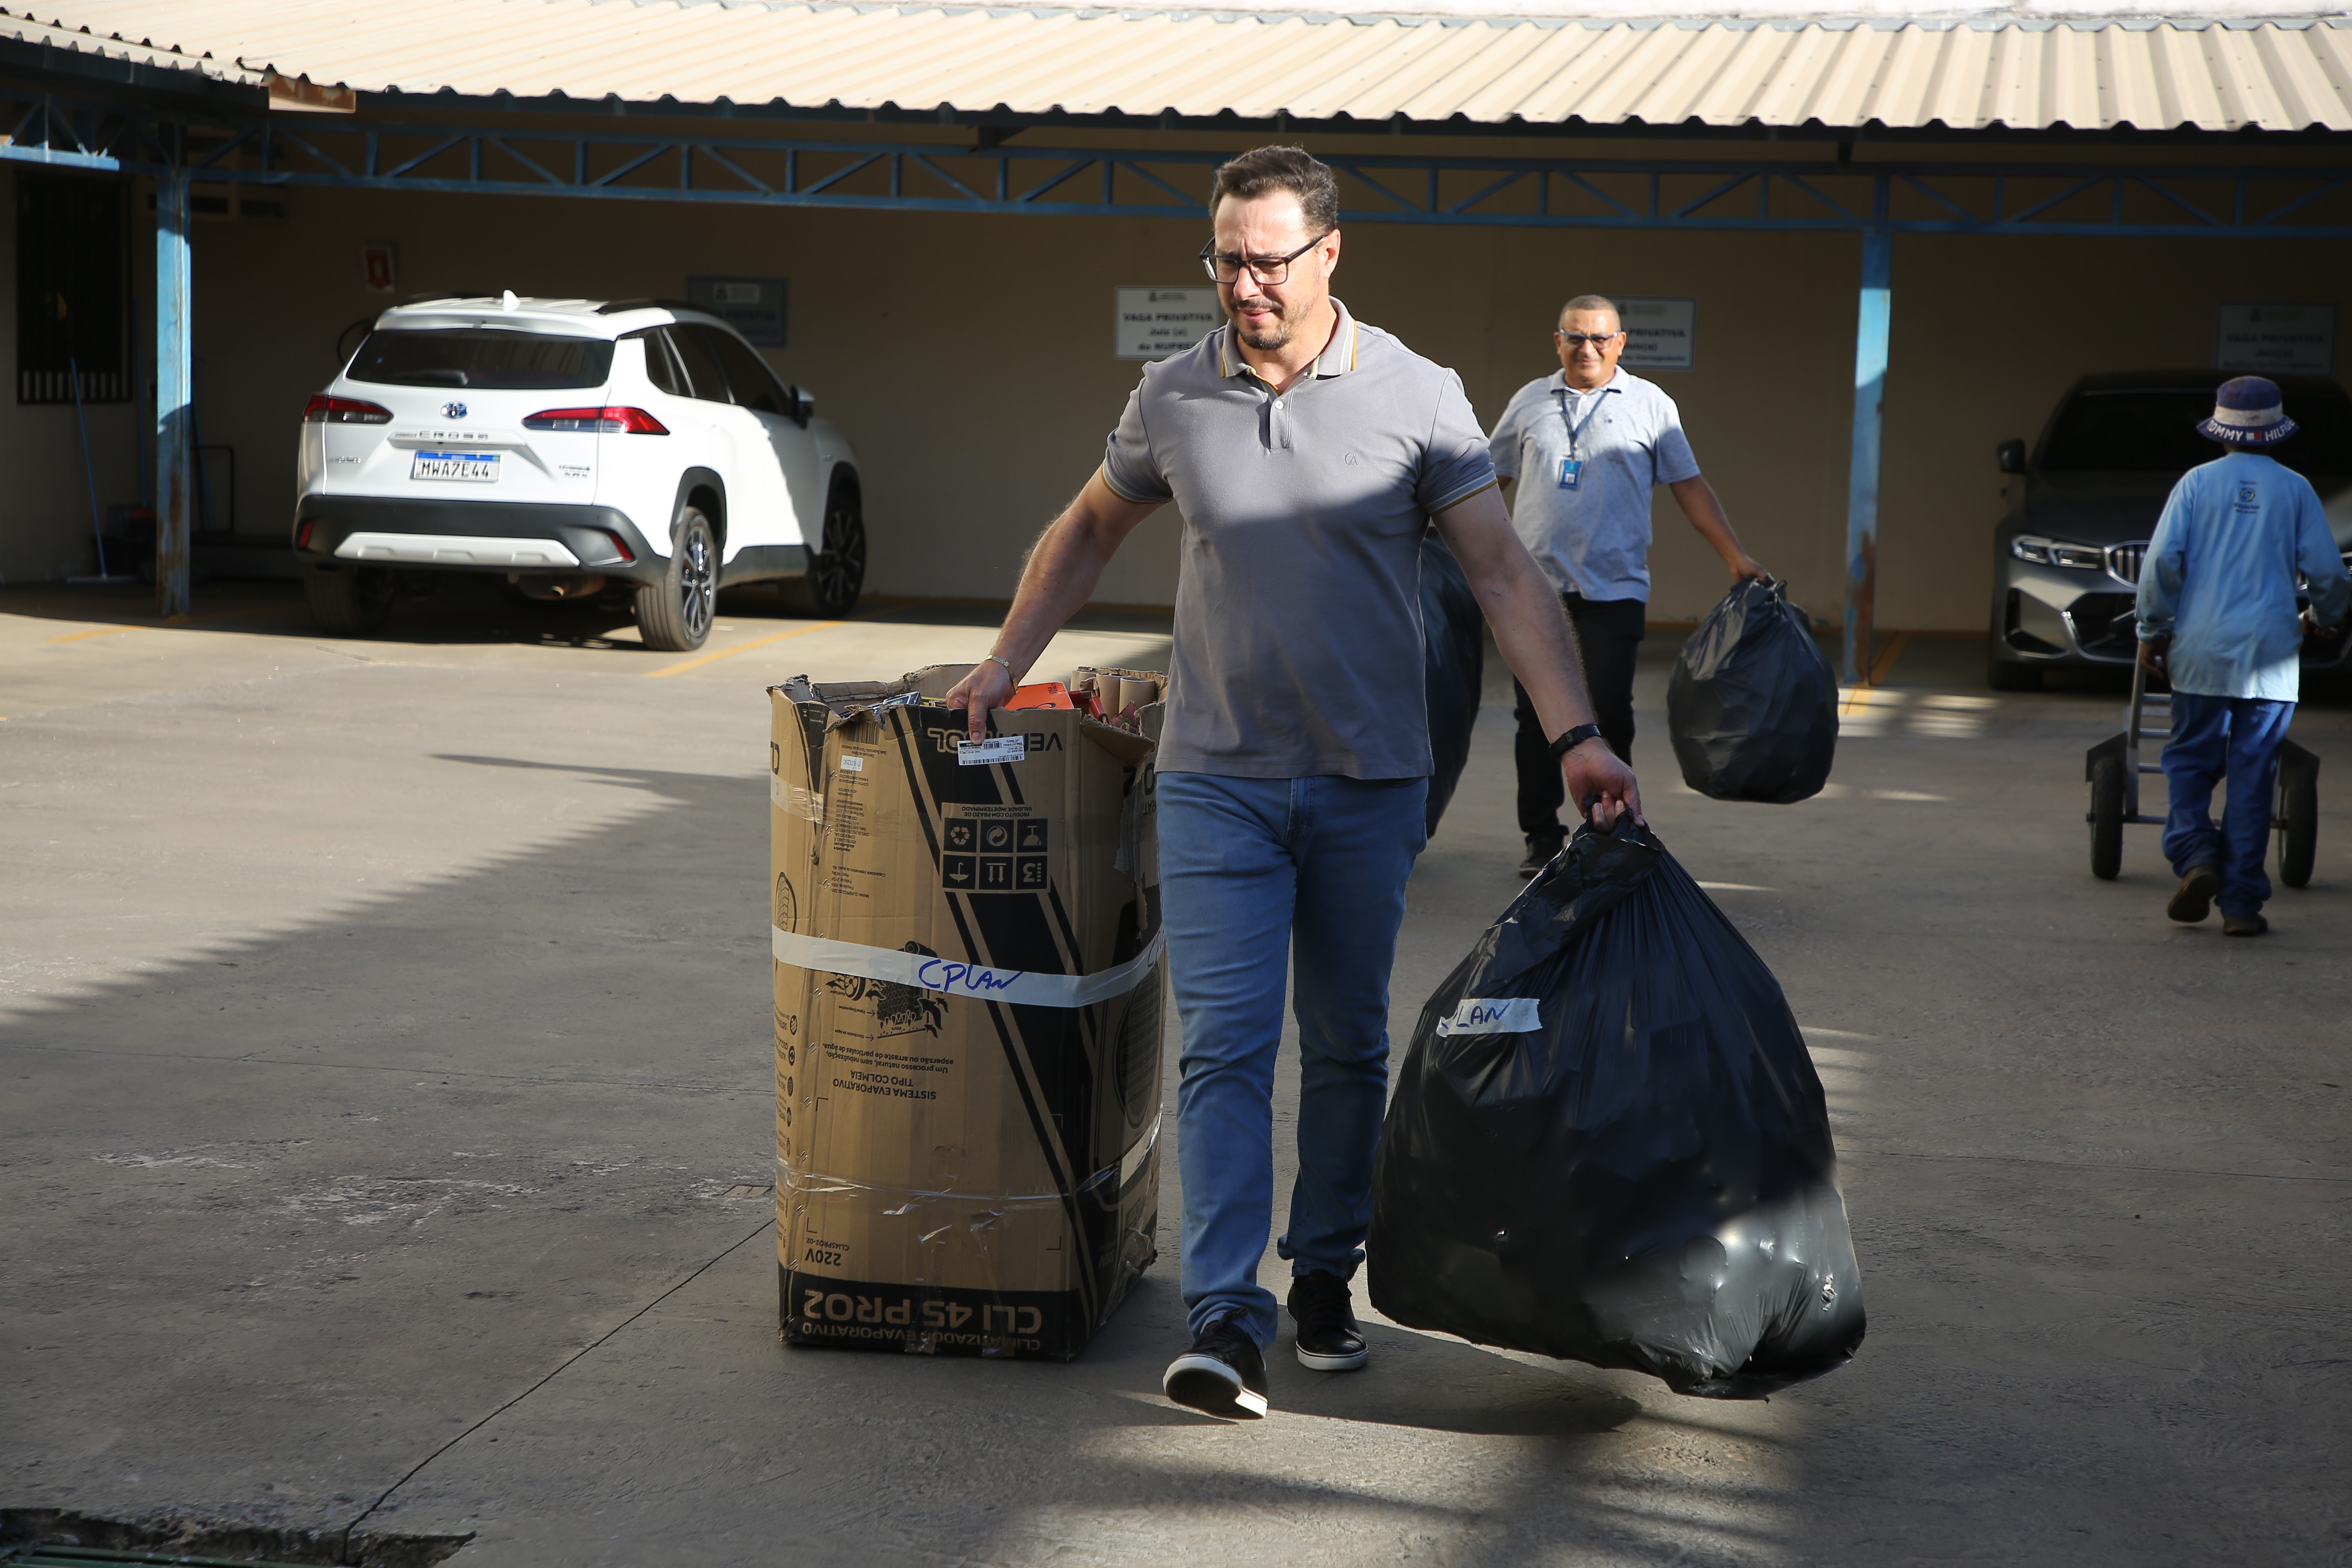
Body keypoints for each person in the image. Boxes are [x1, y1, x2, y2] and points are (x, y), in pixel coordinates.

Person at [943, 147, 1640, 1420]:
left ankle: (1325, 1270)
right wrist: (1004, 662)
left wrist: (1577, 734)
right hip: (1216, 777)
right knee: (1224, 1047)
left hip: (1371, 779)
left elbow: (1501, 574)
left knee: (1349, 1042)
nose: (1245, 284)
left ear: (1330, 252)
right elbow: (1090, 525)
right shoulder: (1173, 394)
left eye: (1268, 260)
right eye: (1226, 260)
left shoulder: (1419, 394)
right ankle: (1226, 1316)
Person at [1488, 295, 1768, 875]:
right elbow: (1489, 484)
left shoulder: (1650, 405)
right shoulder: (1530, 401)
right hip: (1536, 590)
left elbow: (1689, 487)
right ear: (1558, 342)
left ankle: (1610, 828)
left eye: (1600, 338)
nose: (1587, 348)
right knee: (1536, 717)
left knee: (1609, 713)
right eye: (1575, 337)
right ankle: (1541, 837)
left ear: (1620, 344)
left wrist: (1735, 557)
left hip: (1614, 590)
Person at [2137, 375, 2348, 936]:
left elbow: (2162, 564)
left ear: (2220, 430)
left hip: (2202, 652)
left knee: (2189, 762)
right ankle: (2240, 906)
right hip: (2272, 658)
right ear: (2277, 431)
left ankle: (2195, 855)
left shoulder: (2195, 484)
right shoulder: (2296, 489)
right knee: (2254, 777)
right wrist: (2325, 618)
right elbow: (2328, 575)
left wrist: (2151, 630)